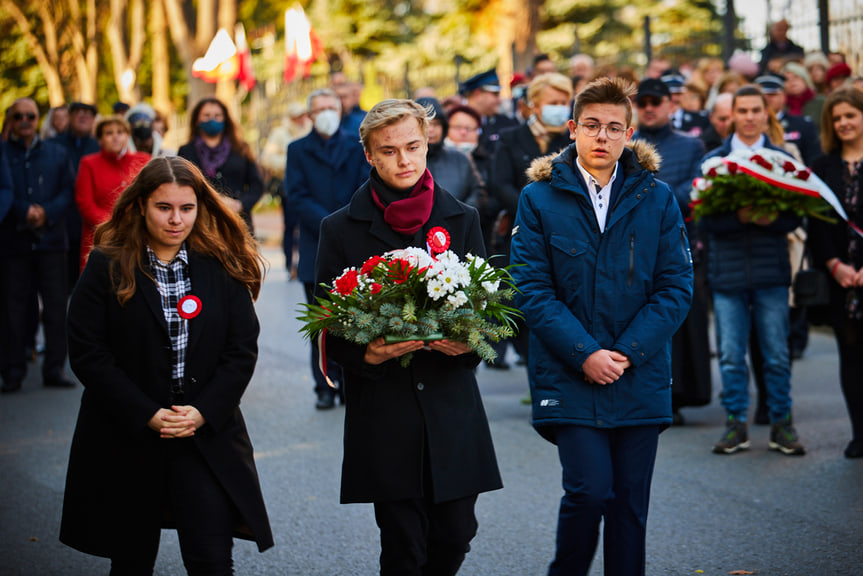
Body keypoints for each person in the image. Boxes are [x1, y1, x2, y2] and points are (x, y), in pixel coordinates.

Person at [510, 77, 692, 576]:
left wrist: (628, 352)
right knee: (589, 491)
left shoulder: (658, 199)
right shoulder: (539, 198)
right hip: (570, 373)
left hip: (639, 374)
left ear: (629, 134)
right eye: (591, 125)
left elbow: (676, 287)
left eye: (614, 128)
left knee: (629, 506)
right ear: (572, 129)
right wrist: (585, 353)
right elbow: (530, 289)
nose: (602, 137)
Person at [314, 98, 502, 576]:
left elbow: (487, 309)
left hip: (450, 404)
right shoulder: (338, 229)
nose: (404, 160)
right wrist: (368, 353)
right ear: (370, 157)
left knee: (456, 533)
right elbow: (325, 328)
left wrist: (467, 344)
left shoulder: (461, 218)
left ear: (427, 144)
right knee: (403, 547)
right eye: (389, 151)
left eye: (413, 147)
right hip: (385, 411)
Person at [60, 156, 273, 572]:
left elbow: (241, 349)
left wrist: (202, 411)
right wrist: (147, 414)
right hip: (129, 432)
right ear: (141, 205)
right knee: (131, 561)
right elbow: (88, 352)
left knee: (211, 559)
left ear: (199, 207)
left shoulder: (220, 263)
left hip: (200, 431)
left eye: (187, 208)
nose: (176, 220)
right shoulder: (107, 262)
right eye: (164, 207)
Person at [701, 85, 806, 456]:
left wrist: (770, 218)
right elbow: (704, 220)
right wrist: (738, 217)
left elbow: (797, 214)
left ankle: (782, 424)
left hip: (770, 271)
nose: (747, 117)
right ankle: (735, 424)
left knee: (776, 353)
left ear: (766, 114)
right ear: (732, 117)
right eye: (741, 111)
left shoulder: (780, 159)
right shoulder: (714, 159)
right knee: (730, 355)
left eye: (754, 110)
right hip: (727, 273)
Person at [631, 78, 711, 424]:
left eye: (656, 101)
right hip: (636, 249)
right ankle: (651, 393)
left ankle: (681, 394)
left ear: (670, 105)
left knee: (682, 321)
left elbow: (696, 188)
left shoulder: (691, 145)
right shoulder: (626, 146)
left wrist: (658, 199)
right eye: (643, 102)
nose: (649, 107)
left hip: (681, 244)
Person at [286, 88, 369, 410]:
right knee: (322, 319)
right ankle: (324, 384)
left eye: (331, 107)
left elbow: (364, 184)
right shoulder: (298, 149)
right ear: (309, 115)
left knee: (357, 316)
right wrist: (330, 222)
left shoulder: (356, 145)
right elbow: (296, 195)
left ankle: (351, 381)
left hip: (356, 239)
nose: (326, 113)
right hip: (315, 240)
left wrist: (348, 220)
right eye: (319, 108)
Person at [489, 72, 574, 369]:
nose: (561, 107)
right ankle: (534, 368)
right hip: (521, 231)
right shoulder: (511, 138)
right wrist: (535, 209)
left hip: (566, 231)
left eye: (565, 102)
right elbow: (499, 184)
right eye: (553, 102)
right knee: (525, 300)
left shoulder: (572, 138)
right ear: (535, 104)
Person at [0, 98, 75, 393]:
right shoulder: (2, 153)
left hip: (52, 241)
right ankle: (12, 371)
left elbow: (68, 190)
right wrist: (23, 211)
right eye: (18, 116)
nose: (25, 121)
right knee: (12, 308)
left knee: (56, 307)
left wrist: (47, 212)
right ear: (10, 119)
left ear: (37, 118)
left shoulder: (57, 152)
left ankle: (54, 368)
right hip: (13, 242)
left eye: (30, 116)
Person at [808, 86, 863, 458]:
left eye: (850, 116)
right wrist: (834, 265)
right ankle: (860, 432)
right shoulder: (822, 166)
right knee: (851, 355)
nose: (843, 123)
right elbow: (818, 223)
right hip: (842, 278)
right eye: (837, 117)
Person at [178, 97, 264, 234]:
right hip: (201, 225)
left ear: (225, 119)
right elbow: (182, 186)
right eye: (206, 115)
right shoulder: (186, 151)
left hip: (237, 223)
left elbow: (256, 185)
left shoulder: (241, 149)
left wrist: (240, 204)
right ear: (197, 120)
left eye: (217, 116)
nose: (212, 120)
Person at [75, 115, 150, 271]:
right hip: (100, 238)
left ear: (127, 135)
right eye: (109, 133)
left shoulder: (144, 160)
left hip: (137, 236)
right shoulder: (89, 163)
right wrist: (113, 224)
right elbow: (85, 204)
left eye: (120, 132)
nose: (115, 136)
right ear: (100, 139)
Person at [53, 101, 99, 291]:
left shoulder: (99, 146)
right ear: (69, 117)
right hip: (60, 224)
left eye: (87, 113)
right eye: (78, 112)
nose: (82, 116)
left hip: (91, 226)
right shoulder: (53, 146)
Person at [417, 97, 483, 205]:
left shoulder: (461, 158)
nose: (431, 130)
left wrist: (461, 215)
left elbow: (478, 193)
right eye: (426, 124)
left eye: (436, 124)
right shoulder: (407, 162)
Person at [460, 68, 518, 156]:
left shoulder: (505, 123)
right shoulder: (451, 120)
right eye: (495, 95)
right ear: (477, 94)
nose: (499, 100)